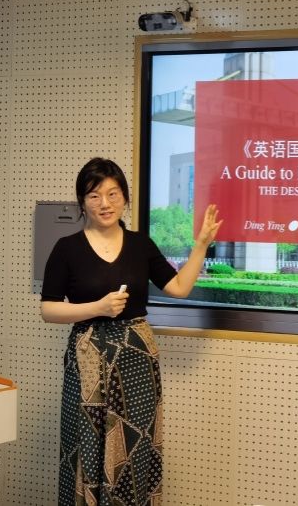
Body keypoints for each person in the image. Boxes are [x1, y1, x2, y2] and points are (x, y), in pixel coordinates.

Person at [40, 157, 221, 506]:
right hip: (88, 360)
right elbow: (49, 309)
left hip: (137, 360)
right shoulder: (67, 248)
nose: (104, 203)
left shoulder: (141, 245)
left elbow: (179, 287)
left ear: (125, 197)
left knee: (136, 443)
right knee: (87, 440)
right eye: (94, 195)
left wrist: (201, 246)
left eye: (113, 194)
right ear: (82, 202)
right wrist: (97, 308)